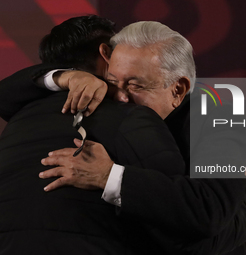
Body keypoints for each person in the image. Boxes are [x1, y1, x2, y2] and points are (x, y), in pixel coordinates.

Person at [0, 19, 246, 254]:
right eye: (113, 82)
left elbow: (202, 222)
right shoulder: (113, 114)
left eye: (135, 86)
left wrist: (108, 176)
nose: (121, 98)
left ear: (178, 89)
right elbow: (7, 95)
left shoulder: (221, 121)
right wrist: (68, 77)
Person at [0, 16, 187, 254]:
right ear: (107, 53)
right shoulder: (133, 117)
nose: (123, 95)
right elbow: (181, 218)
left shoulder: (19, 119)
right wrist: (245, 205)